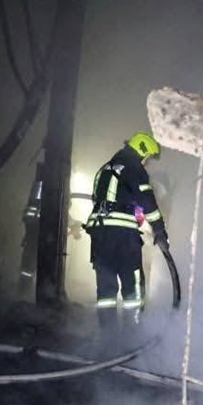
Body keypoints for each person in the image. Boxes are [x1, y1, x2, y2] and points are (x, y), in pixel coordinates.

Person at [84, 131, 169, 341]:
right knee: (133, 286)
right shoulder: (134, 168)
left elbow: (104, 200)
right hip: (122, 237)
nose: (147, 163)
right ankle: (133, 334)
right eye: (147, 158)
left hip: (99, 235)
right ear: (141, 150)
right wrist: (159, 230)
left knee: (106, 289)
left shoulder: (106, 168)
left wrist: (132, 212)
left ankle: (108, 338)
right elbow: (148, 202)